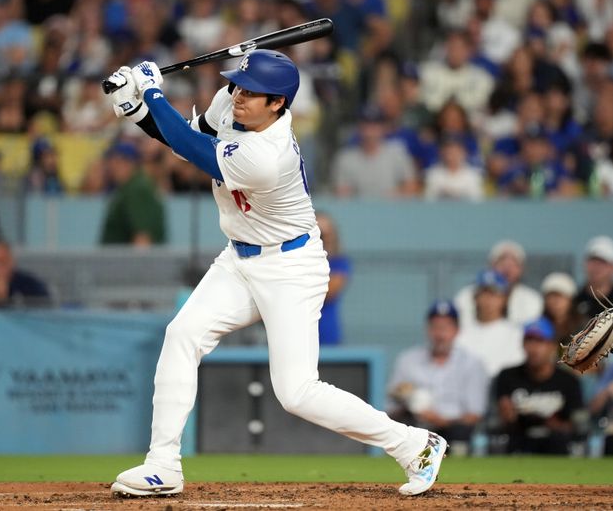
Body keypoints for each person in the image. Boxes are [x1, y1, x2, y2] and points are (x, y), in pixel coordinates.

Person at [104, 51, 447, 497]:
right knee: (182, 334)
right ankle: (163, 464)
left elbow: (197, 153)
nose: (239, 96)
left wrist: (150, 94)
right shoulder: (233, 101)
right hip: (239, 258)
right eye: (239, 86)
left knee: (297, 392)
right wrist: (140, 112)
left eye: (252, 92)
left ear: (278, 105)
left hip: (291, 267)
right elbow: (189, 139)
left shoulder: (269, 155)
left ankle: (415, 444)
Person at [387, 299, 489, 454]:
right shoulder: (408, 360)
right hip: (416, 429)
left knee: (460, 433)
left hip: (453, 432)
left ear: (456, 330)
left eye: (445, 327)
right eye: (435, 327)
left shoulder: (471, 363)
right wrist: (406, 400)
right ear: (427, 329)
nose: (440, 334)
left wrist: (442, 421)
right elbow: (391, 407)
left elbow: (475, 414)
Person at [494, 317, 585, 455]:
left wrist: (555, 424)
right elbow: (503, 417)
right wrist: (508, 414)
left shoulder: (568, 381)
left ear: (552, 346)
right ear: (523, 344)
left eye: (540, 341)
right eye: (529, 341)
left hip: (556, 447)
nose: (534, 348)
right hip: (519, 444)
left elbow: (578, 424)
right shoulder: (508, 376)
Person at [332, 106, 419, 198]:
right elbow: (342, 194)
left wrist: (393, 196)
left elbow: (411, 186)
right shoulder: (346, 158)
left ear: (383, 127)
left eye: (375, 125)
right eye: (366, 124)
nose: (370, 131)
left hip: (393, 209)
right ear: (359, 127)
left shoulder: (397, 152)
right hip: (359, 210)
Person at [454, 240, 543, 328]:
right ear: (490, 265)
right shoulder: (466, 296)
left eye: (513, 265)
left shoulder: (532, 300)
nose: (507, 270)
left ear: (521, 269)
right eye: (501, 263)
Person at [455, 269, 525, 378]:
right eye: (483, 293)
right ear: (475, 298)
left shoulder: (517, 334)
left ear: (504, 299)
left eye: (494, 293)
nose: (488, 299)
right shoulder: (460, 333)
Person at [99, 142, 165, 246]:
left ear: (124, 162)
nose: (109, 166)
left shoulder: (136, 189)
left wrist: (139, 262)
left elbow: (142, 237)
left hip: (124, 261)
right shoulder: (131, 187)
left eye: (112, 160)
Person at [316, 212, 350, 345]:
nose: (323, 238)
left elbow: (327, 291)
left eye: (325, 234)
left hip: (326, 334)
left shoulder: (339, 262)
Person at [540, 272, 583, 344]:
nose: (554, 302)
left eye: (559, 296)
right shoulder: (538, 326)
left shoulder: (584, 327)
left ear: (570, 299)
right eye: (550, 297)